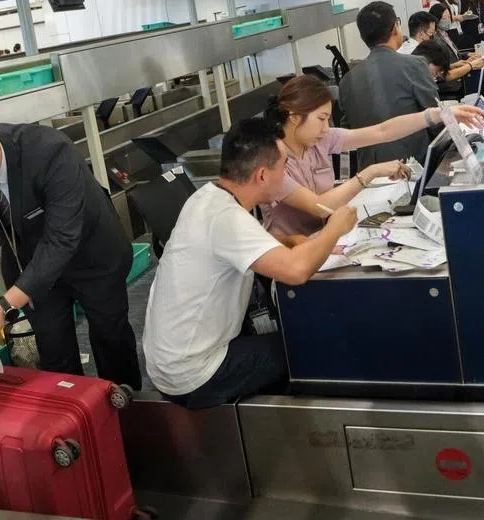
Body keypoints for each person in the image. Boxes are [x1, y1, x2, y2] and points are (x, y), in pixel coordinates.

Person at [0, 106, 142, 388]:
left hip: (91, 255)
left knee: (111, 338)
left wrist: (5, 306)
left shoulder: (49, 152)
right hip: (29, 265)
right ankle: (73, 417)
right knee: (54, 351)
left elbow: (61, 239)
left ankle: (127, 414)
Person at [142, 117, 357, 409]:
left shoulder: (208, 197)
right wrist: (335, 228)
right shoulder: (227, 218)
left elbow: (234, 249)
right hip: (193, 372)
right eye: (283, 168)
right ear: (262, 176)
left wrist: (287, 241)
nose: (286, 176)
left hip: (170, 359)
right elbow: (296, 272)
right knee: (309, 346)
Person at [259, 76, 484, 239]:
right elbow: (320, 206)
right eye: (321, 118)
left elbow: (382, 131)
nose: (326, 127)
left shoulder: (319, 140)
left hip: (328, 236)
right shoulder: (272, 160)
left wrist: (438, 115)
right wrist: (370, 173)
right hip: (293, 252)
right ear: (295, 118)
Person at [338, 1, 443, 168]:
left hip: (370, 174)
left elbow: (347, 134)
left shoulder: (346, 81)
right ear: (395, 28)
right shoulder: (415, 65)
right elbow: (436, 117)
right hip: (413, 167)